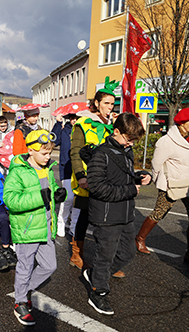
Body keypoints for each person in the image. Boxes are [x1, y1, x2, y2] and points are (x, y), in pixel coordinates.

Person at [83, 113, 150, 315]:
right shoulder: (101, 154)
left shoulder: (125, 151)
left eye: (133, 141)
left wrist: (139, 177)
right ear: (117, 131)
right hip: (106, 216)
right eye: (128, 139)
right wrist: (130, 190)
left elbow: (122, 176)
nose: (130, 144)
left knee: (128, 252)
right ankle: (98, 293)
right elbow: (96, 187)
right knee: (105, 256)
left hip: (125, 213)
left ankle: (95, 274)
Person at [3, 129, 66, 326]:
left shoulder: (46, 168)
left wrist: (57, 193)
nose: (48, 157)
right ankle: (20, 301)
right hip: (27, 228)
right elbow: (11, 200)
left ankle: (24, 290)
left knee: (50, 266)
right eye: (44, 153)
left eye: (50, 153)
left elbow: (50, 189)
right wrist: (42, 197)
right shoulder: (18, 171)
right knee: (25, 266)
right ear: (31, 150)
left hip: (46, 226)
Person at [69, 77, 117, 270]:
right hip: (88, 179)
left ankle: (104, 261)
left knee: (106, 220)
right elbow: (75, 152)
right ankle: (76, 255)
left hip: (107, 179)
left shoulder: (112, 125)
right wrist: (81, 176)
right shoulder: (83, 122)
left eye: (113, 104)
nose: (110, 107)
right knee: (86, 217)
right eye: (106, 103)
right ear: (97, 103)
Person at [135, 108, 189, 264]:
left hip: (187, 185)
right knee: (159, 212)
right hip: (170, 184)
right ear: (183, 123)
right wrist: (157, 180)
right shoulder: (166, 141)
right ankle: (139, 239)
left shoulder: (187, 139)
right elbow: (156, 164)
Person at [51, 113, 80, 237]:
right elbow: (53, 140)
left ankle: (74, 226)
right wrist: (58, 123)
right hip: (66, 168)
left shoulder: (83, 130)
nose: (74, 120)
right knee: (67, 198)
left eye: (76, 118)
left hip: (79, 168)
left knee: (78, 200)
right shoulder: (64, 130)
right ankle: (61, 222)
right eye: (72, 118)